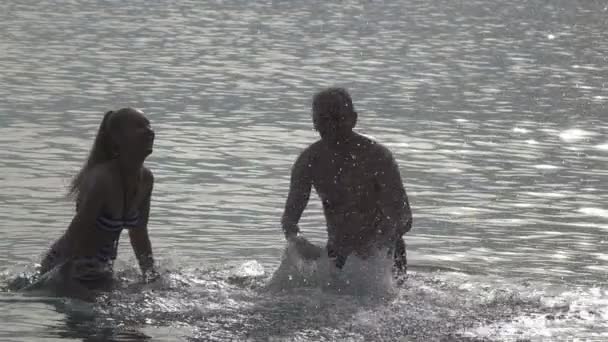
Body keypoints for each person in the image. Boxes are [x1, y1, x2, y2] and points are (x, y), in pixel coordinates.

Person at [281, 88, 412, 272]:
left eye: (337, 118)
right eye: (323, 120)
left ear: (353, 119)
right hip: (338, 257)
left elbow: (404, 218)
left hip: (385, 258)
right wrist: (299, 242)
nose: (331, 127)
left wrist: (378, 244)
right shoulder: (310, 162)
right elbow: (289, 220)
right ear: (314, 123)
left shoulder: (376, 157)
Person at [39, 107, 157, 289]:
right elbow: (77, 231)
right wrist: (66, 279)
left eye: (148, 125)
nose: (149, 130)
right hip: (67, 266)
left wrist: (151, 276)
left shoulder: (146, 179)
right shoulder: (102, 179)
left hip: (100, 269)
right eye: (139, 126)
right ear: (118, 139)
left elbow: (139, 233)